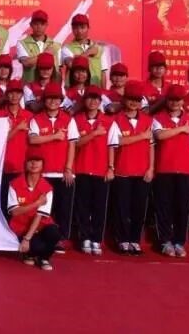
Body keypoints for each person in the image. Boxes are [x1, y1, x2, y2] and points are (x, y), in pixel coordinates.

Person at [151, 84, 189, 257]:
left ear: (182, 102)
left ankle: (179, 242)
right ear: (167, 101)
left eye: (178, 100)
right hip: (164, 169)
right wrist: (181, 129)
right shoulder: (158, 118)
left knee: (183, 208)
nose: (175, 103)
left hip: (186, 169)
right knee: (163, 206)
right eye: (172, 100)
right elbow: (160, 135)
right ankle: (165, 241)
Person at [28, 82, 79, 252]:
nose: (53, 102)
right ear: (44, 100)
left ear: (61, 101)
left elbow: (72, 144)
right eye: (49, 98)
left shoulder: (69, 120)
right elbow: (33, 139)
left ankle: (61, 238)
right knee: (44, 208)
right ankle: (44, 236)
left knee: (64, 208)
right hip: (43, 173)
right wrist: (54, 136)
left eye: (56, 99)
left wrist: (68, 168)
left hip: (63, 172)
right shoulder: (36, 119)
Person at [110, 81, 154, 255]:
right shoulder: (117, 120)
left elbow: (151, 146)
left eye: (137, 100)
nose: (134, 103)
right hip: (123, 170)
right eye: (131, 99)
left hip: (142, 171)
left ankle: (135, 240)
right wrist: (141, 136)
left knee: (139, 208)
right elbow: (117, 142)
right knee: (122, 207)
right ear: (124, 100)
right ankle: (122, 239)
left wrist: (151, 168)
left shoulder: (148, 120)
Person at [72, 86, 116, 256]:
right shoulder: (76, 120)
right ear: (84, 101)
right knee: (82, 206)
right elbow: (75, 143)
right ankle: (84, 237)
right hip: (81, 168)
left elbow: (112, 146)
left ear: (100, 102)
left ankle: (96, 238)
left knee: (99, 207)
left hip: (101, 170)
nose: (93, 102)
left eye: (96, 99)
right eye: (90, 98)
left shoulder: (109, 121)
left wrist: (110, 167)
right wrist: (94, 133)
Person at [7, 154, 61, 271]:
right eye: (31, 161)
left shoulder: (47, 188)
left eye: (37, 161)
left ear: (42, 165)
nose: (34, 164)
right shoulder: (15, 184)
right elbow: (14, 212)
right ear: (25, 164)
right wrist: (36, 203)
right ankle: (29, 254)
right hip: (21, 227)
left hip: (41, 225)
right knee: (36, 246)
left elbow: (39, 215)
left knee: (54, 234)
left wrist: (27, 239)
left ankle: (44, 258)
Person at [0, 80, 32, 214]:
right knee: (2, 202)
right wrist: (17, 128)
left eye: (18, 93)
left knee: (19, 203)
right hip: (2, 166)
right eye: (11, 93)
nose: (14, 96)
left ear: (22, 95)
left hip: (21, 166)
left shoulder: (28, 116)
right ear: (6, 95)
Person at [61, 14, 109, 87]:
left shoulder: (99, 48)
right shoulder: (66, 48)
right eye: (75, 28)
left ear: (88, 28)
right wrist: (88, 52)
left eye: (82, 27)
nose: (79, 31)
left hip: (95, 91)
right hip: (74, 91)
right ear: (72, 29)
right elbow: (70, 64)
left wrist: (103, 92)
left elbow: (103, 73)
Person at [16, 10, 60, 83]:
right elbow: (26, 63)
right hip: (29, 87)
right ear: (31, 25)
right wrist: (45, 54)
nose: (39, 27)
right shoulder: (22, 43)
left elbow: (58, 70)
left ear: (46, 25)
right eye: (36, 24)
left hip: (50, 87)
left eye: (42, 24)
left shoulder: (55, 45)